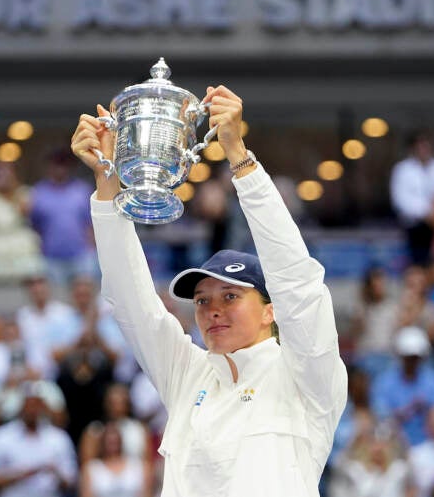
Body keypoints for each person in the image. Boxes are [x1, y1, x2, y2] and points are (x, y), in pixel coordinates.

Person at [71, 86, 347, 496]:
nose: (212, 310)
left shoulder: (306, 373)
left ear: (270, 312)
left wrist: (240, 158)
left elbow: (298, 284)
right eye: (202, 300)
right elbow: (132, 304)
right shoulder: (188, 375)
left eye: (230, 296)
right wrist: (108, 186)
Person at [0, 381, 77, 497]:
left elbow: (71, 481)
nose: (32, 410)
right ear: (20, 406)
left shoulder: (59, 438)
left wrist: (54, 471)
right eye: (28, 404)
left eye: (36, 404)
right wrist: (20, 475)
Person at [30, 148, 97, 287]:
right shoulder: (38, 192)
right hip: (51, 258)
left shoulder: (82, 190)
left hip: (81, 255)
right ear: (49, 167)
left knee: (86, 295)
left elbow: (92, 223)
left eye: (63, 164)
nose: (60, 168)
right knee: (57, 301)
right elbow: (33, 226)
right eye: (56, 164)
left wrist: (93, 248)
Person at [371, 326, 434, 447]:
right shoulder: (384, 381)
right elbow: (380, 414)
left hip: (430, 441)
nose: (411, 362)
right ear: (400, 356)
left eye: (415, 358)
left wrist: (424, 407)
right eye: (408, 358)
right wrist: (407, 410)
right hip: (393, 441)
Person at [0, 160, 45, 282]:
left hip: (19, 241)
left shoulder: (23, 192)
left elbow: (25, 211)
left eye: (6, 172)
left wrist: (11, 189)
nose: (3, 176)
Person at [390, 131, 434, 266]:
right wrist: (428, 212)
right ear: (413, 148)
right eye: (420, 146)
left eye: (426, 146)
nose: (423, 150)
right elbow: (400, 200)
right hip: (415, 227)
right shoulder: (402, 169)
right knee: (418, 265)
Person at [80, 421, 153, 497]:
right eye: (109, 441)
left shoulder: (138, 466)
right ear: (102, 442)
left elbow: (147, 493)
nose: (112, 444)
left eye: (115, 440)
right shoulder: (91, 469)